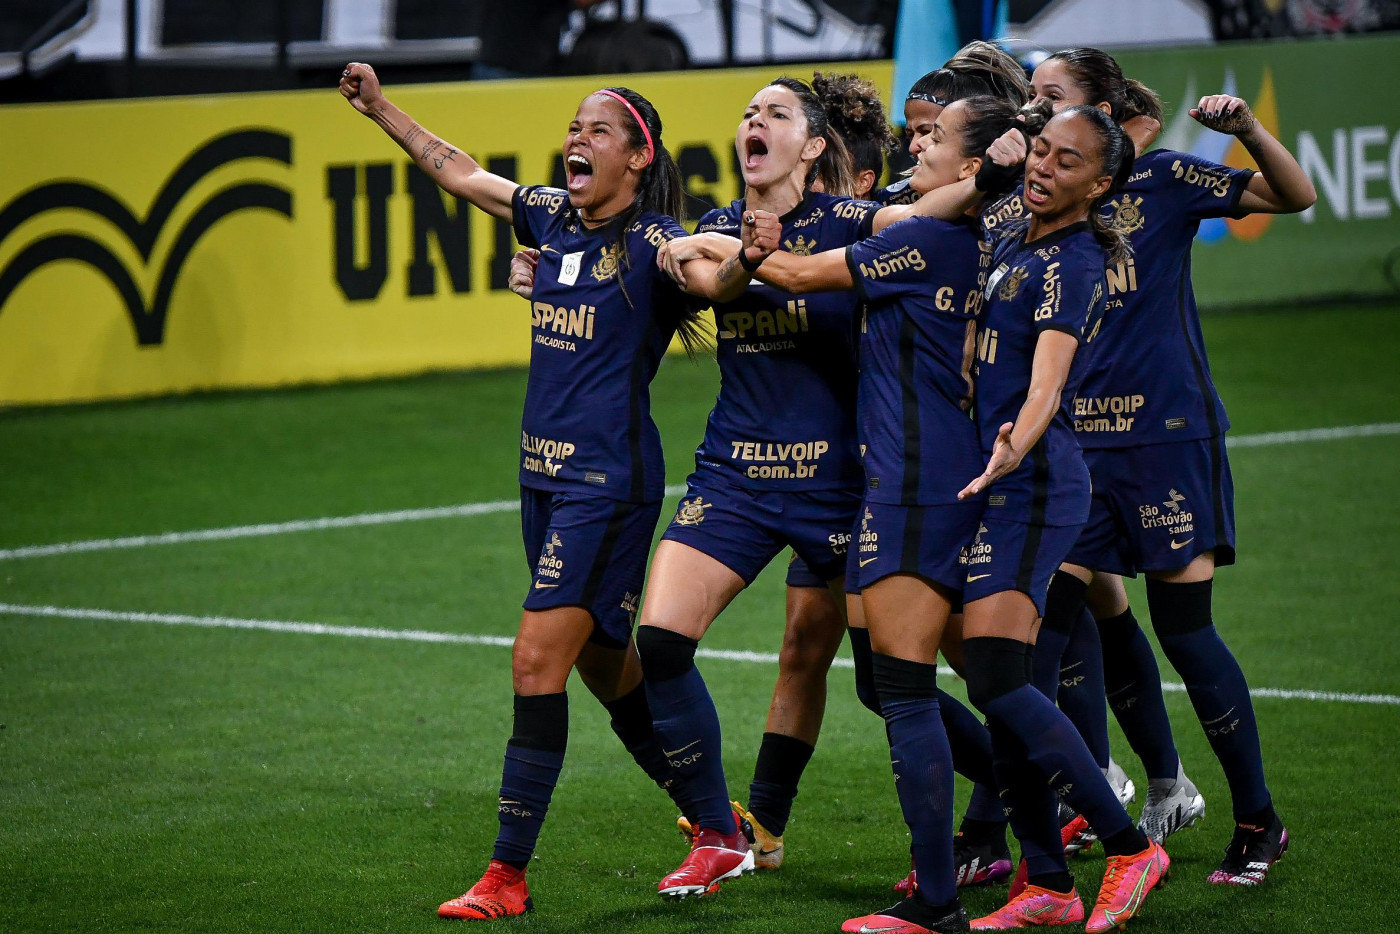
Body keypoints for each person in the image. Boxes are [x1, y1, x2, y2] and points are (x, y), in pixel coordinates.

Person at [339, 63, 706, 920]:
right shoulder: (550, 219)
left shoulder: (649, 244)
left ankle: (506, 876)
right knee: (602, 668)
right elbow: (460, 169)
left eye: (600, 132)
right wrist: (382, 109)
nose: (578, 139)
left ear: (639, 160)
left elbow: (709, 275)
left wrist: (744, 263)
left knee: (535, 659)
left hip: (604, 483)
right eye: (575, 127)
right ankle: (715, 820)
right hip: (541, 477)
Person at [736, 94, 1026, 934]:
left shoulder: (921, 237)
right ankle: (1054, 852)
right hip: (947, 477)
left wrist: (753, 249)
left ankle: (948, 894)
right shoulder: (989, 238)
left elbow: (792, 274)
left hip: (911, 485)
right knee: (986, 679)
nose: (916, 147)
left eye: (932, 138)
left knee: (905, 689)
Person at [1023, 47, 1315, 881]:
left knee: (1187, 635)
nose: (1037, 113)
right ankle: (1073, 824)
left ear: (1105, 109)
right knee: (1040, 633)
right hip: (1074, 446)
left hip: (1166, 443)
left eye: (1052, 99)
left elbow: (1294, 197)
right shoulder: (1036, 197)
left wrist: (1251, 131)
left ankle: (1258, 818)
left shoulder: (1168, 182)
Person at [954, 105, 1169, 931]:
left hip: (1035, 484)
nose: (1043, 167)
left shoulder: (1072, 263)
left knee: (1002, 682)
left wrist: (1016, 443)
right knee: (1002, 686)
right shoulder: (1018, 234)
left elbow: (1048, 378)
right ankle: (1044, 880)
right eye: (1041, 151)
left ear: (1102, 184)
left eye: (1066, 161)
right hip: (996, 480)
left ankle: (1127, 845)